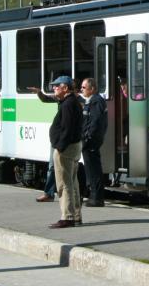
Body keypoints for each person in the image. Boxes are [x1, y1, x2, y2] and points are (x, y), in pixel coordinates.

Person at [46, 75, 83, 228]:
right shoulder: (72, 102)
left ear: (65, 88)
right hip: (74, 146)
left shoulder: (68, 104)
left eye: (57, 86)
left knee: (64, 183)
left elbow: (67, 128)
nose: (54, 88)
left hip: (66, 149)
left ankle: (67, 217)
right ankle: (76, 215)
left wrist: (60, 146)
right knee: (73, 182)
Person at [80, 77, 107, 207]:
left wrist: (87, 137)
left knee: (93, 169)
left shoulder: (96, 101)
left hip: (91, 141)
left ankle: (97, 198)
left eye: (84, 87)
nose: (81, 89)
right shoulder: (91, 100)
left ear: (92, 89)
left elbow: (95, 121)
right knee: (91, 168)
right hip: (90, 140)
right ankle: (94, 196)